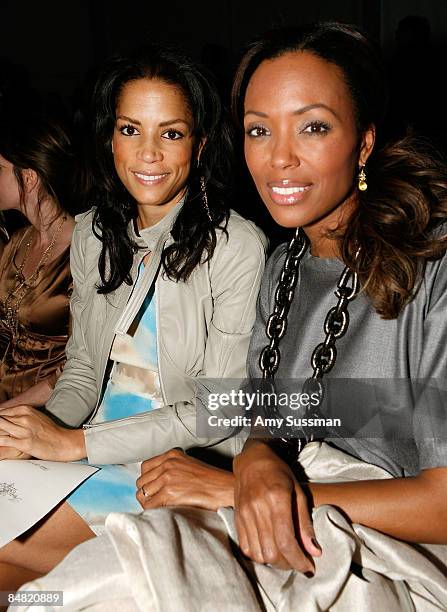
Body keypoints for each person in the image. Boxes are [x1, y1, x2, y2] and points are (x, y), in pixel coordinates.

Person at [14, 22, 447, 610]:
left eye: (313, 126)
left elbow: (435, 491)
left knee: (81, 589)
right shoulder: (288, 261)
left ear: (365, 142)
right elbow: (299, 403)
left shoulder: (432, 263)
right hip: (273, 508)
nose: (280, 158)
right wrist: (259, 452)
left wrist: (240, 476)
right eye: (258, 130)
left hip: (385, 551)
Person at [0, 44, 267, 588]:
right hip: (85, 447)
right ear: (108, 138)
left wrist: (73, 445)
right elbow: (79, 374)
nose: (148, 153)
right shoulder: (92, 232)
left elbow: (218, 411)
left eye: (171, 133)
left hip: (173, 463)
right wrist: (37, 431)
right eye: (130, 129)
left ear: (200, 144)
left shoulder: (238, 245)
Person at [0, 112, 76, 409]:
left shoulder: (83, 251)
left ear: (29, 178)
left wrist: (8, 412)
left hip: (46, 413)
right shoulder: (17, 241)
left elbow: (80, 370)